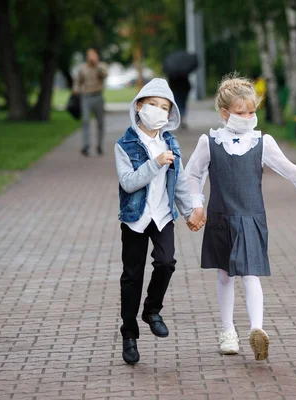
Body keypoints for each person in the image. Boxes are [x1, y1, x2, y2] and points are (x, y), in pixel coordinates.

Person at [185, 74, 296, 361]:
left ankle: (257, 329)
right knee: (224, 275)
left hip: (251, 218)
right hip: (220, 218)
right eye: (240, 112)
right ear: (224, 113)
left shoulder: (262, 142)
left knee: (250, 274)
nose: (247, 117)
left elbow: (290, 170)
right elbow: (192, 175)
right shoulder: (209, 142)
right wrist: (196, 205)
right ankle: (227, 331)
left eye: (252, 111)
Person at [114, 78, 204, 365]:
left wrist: (190, 212)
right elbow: (128, 183)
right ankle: (129, 335)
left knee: (166, 262)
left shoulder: (170, 143)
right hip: (136, 219)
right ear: (139, 106)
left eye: (164, 107)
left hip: (163, 215)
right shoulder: (125, 145)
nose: (158, 111)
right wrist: (155, 163)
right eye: (152, 104)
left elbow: (178, 183)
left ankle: (152, 310)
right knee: (132, 276)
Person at [73, 48, 108, 156]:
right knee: (86, 120)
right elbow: (78, 81)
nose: (91, 57)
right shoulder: (82, 68)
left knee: (100, 122)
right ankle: (86, 145)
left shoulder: (101, 66)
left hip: (98, 96)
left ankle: (99, 146)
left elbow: (104, 75)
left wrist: (96, 65)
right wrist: (75, 89)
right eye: (90, 55)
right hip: (86, 97)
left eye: (93, 55)